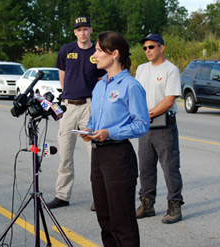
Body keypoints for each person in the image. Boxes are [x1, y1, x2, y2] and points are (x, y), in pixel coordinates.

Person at [79, 31, 149, 247]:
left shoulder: (131, 85)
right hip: (98, 154)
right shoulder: (100, 85)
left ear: (115, 53)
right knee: (105, 219)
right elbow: (95, 116)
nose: (95, 54)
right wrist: (90, 128)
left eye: (99, 50)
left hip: (118, 155)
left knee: (122, 221)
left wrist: (110, 132)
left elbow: (141, 124)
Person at [46, 16, 105, 210]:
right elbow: (62, 75)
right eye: (79, 29)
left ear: (90, 30)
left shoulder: (96, 52)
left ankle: (99, 197)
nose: (82, 32)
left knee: (94, 154)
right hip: (69, 107)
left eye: (85, 29)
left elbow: (99, 80)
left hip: (89, 107)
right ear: (74, 32)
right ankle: (62, 195)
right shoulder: (66, 50)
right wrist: (67, 97)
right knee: (65, 154)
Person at [135, 33, 184, 224]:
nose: (147, 50)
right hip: (145, 126)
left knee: (170, 168)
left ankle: (175, 206)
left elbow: (170, 99)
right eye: (145, 47)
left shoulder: (171, 69)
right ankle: (147, 205)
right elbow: (137, 94)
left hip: (164, 125)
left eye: (151, 47)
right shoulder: (141, 69)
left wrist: (147, 115)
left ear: (161, 48)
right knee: (145, 167)